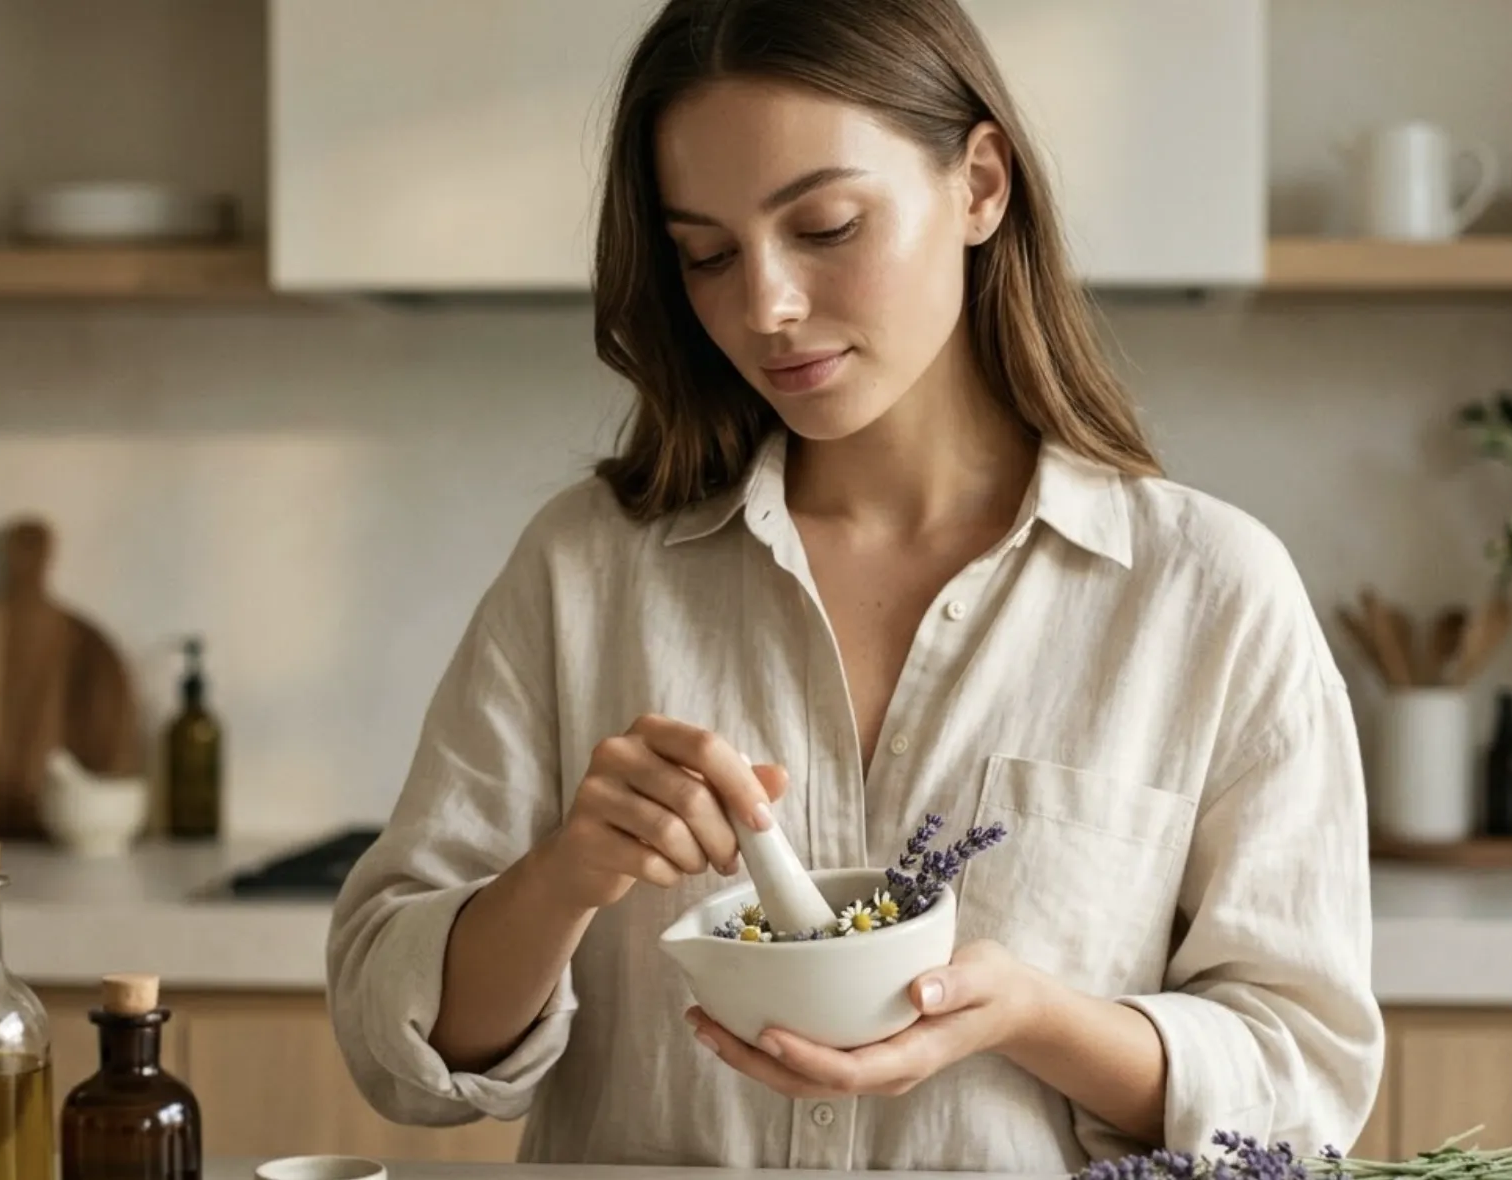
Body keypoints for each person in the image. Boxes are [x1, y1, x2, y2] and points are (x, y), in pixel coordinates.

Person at [324, 0, 1384, 1171]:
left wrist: (1041, 1020)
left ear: (981, 185)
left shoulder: (1208, 598)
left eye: (824, 226)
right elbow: (393, 1041)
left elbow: (1302, 1090)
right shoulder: (586, 569)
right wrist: (567, 873)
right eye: (707, 255)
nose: (764, 306)